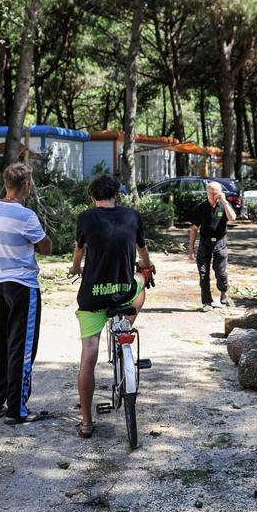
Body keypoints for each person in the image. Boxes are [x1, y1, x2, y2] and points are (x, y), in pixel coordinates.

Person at [69, 174, 154, 439]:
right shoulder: (131, 216)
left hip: (93, 297)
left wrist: (75, 268)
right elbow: (142, 251)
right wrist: (146, 268)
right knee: (141, 283)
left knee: (88, 356)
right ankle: (125, 326)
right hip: (124, 293)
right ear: (116, 195)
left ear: (93, 198)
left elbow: (79, 252)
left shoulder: (85, 218)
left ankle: (85, 422)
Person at [0, 163, 52, 424]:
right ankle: (17, 410)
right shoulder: (26, 216)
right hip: (23, 286)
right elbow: (46, 247)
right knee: (21, 348)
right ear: (26, 186)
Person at [188, 181, 237, 310]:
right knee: (203, 274)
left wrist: (225, 201)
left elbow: (232, 218)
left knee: (220, 272)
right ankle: (207, 302)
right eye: (210, 192)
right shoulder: (201, 208)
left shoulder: (223, 206)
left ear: (220, 192)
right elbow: (193, 229)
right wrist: (191, 249)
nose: (213, 194)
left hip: (220, 243)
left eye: (215, 192)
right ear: (206, 192)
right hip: (204, 243)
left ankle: (224, 293)